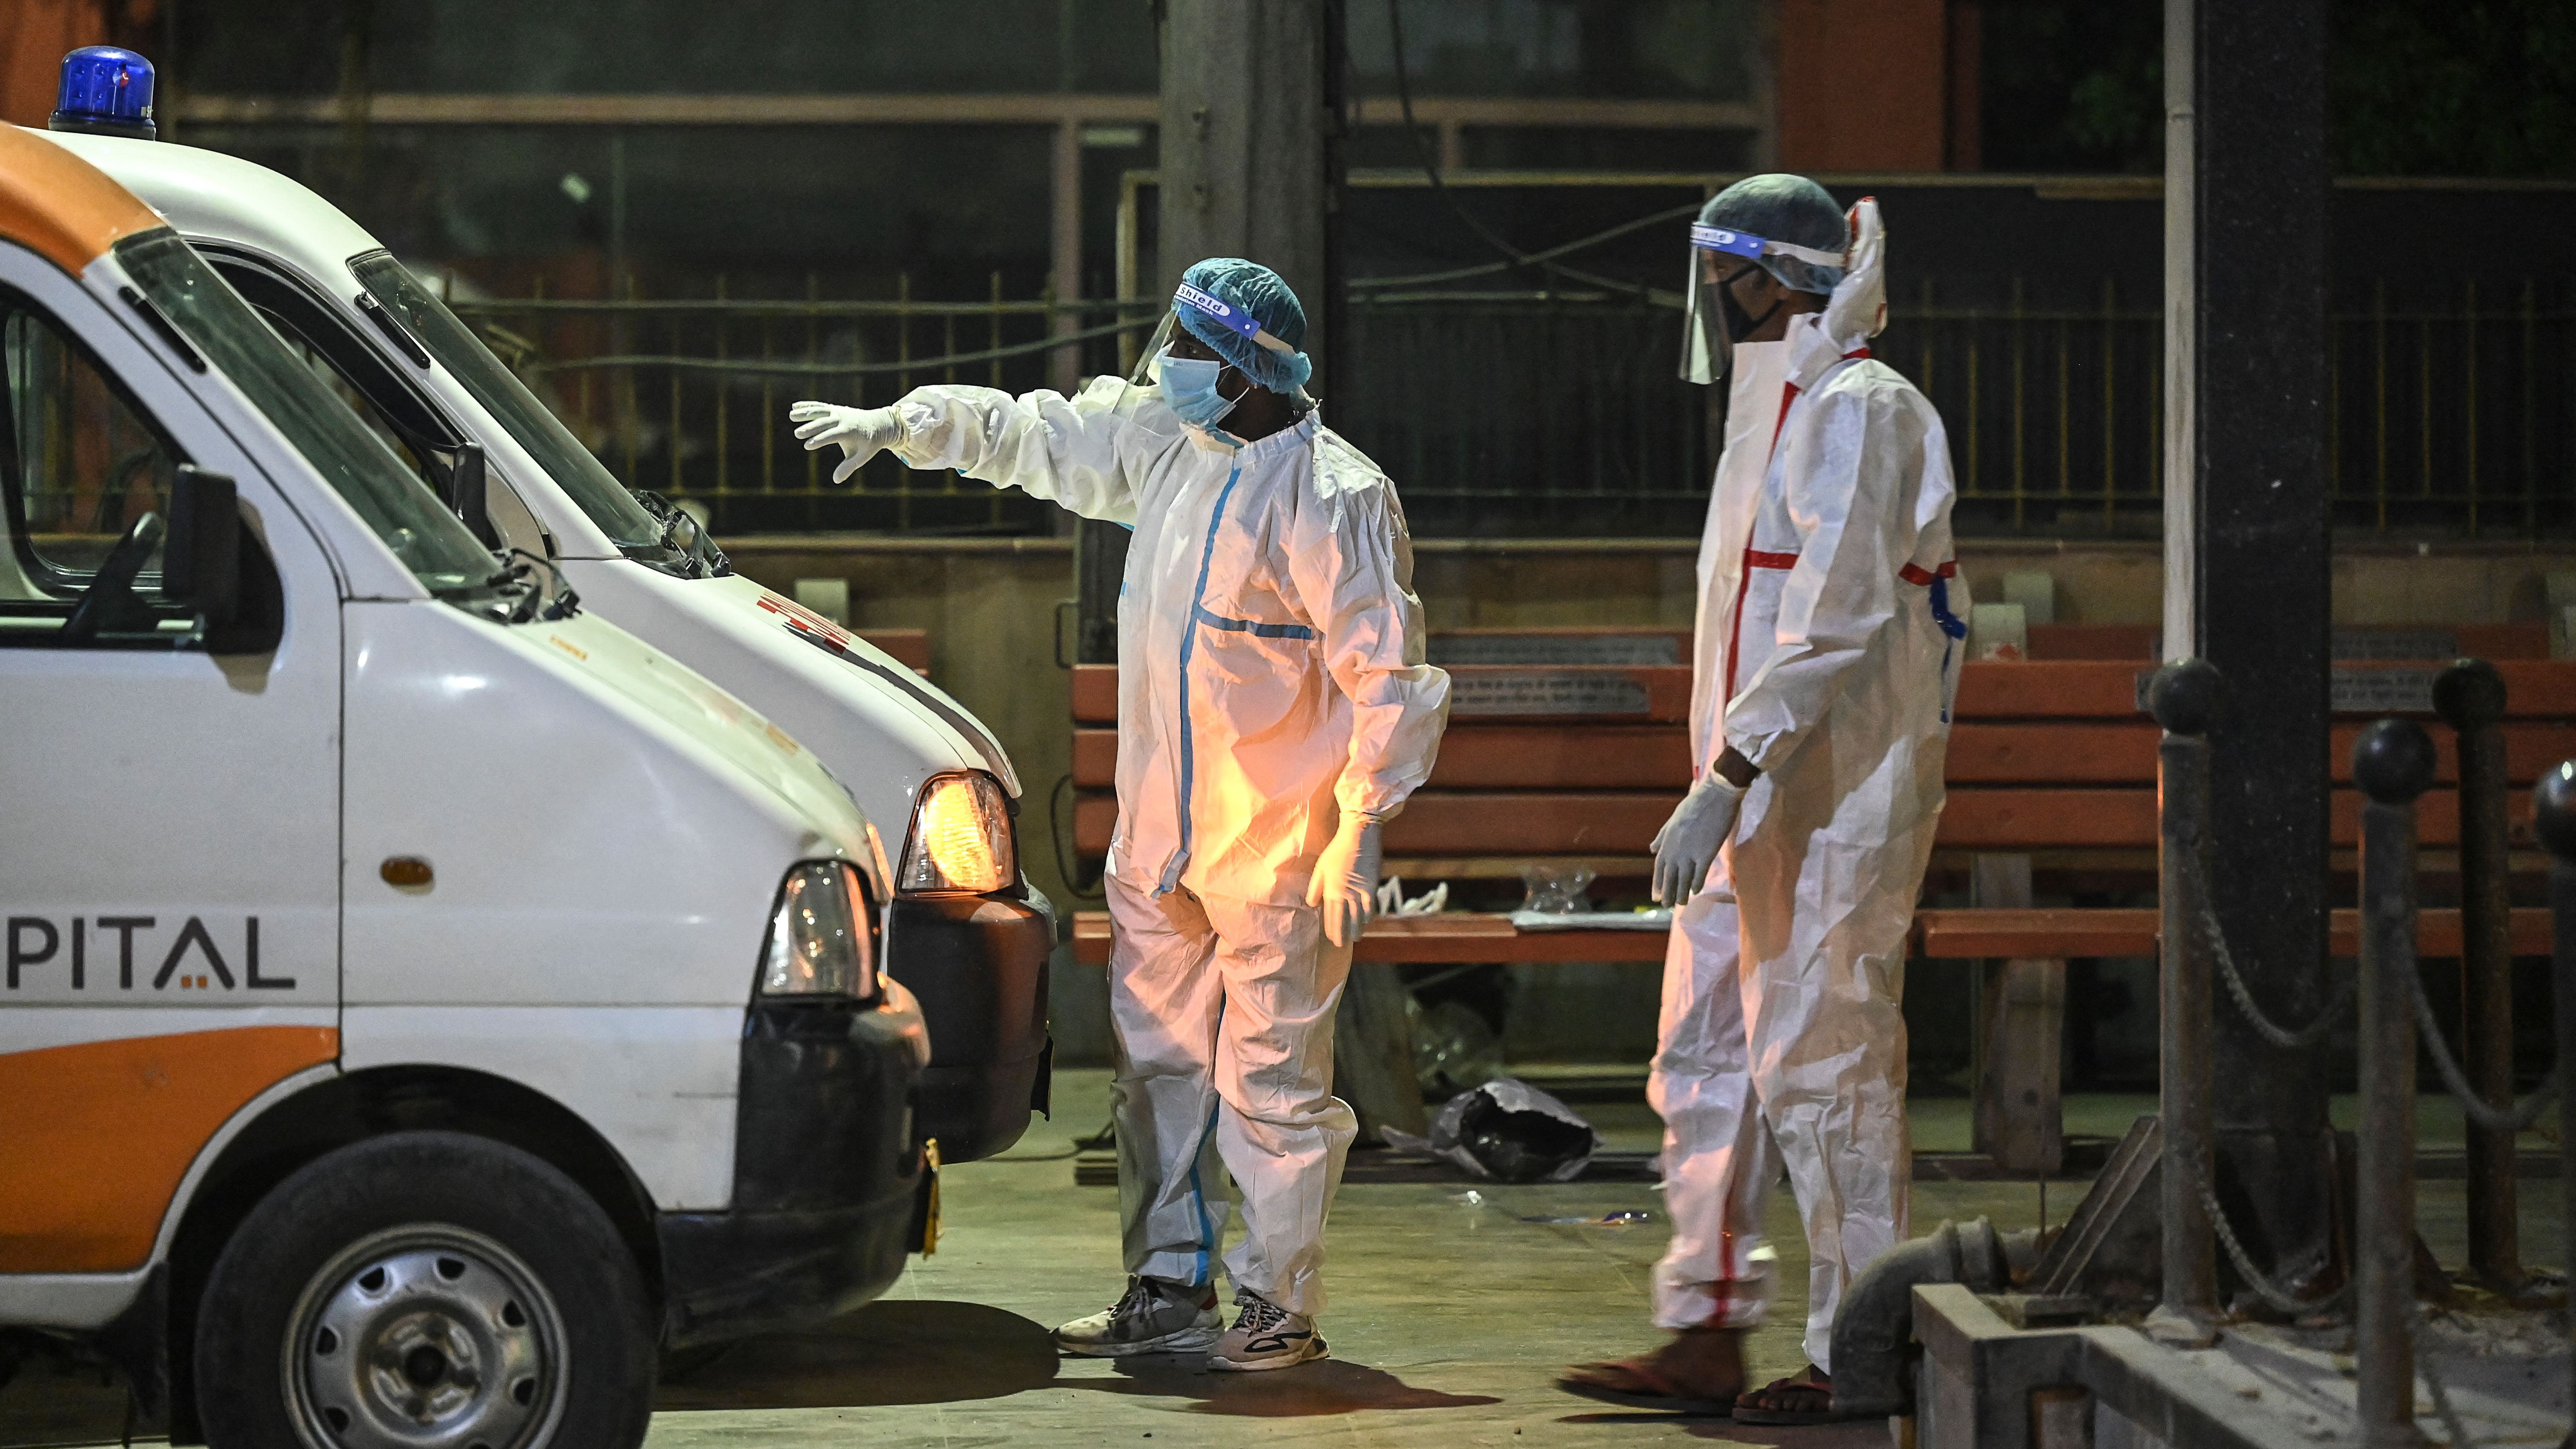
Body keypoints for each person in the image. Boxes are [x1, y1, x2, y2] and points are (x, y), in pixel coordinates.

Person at [786, 258, 1449, 1372]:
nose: (1169, 369)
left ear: (1244, 372)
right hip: (1161, 844)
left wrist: (1358, 826)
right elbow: (1045, 434)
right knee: (1157, 1072)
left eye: (1190, 349)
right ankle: (1168, 1285)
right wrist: (911, 423)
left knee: (1273, 1084)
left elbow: (1388, 677)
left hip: (1277, 856)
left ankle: (1278, 1301)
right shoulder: (1175, 454)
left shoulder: (1334, 497)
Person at [1558, 176, 1965, 1425]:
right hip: (1746, 798)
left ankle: (1864, 1348)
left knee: (1825, 1060)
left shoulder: (1862, 411)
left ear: (1766, 276)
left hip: (1833, 798)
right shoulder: (1773, 412)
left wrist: (1726, 774)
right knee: (1706, 1062)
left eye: (1720, 272)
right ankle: (1704, 1325)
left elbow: (1836, 621)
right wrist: (1725, 785)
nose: (1710, 298)